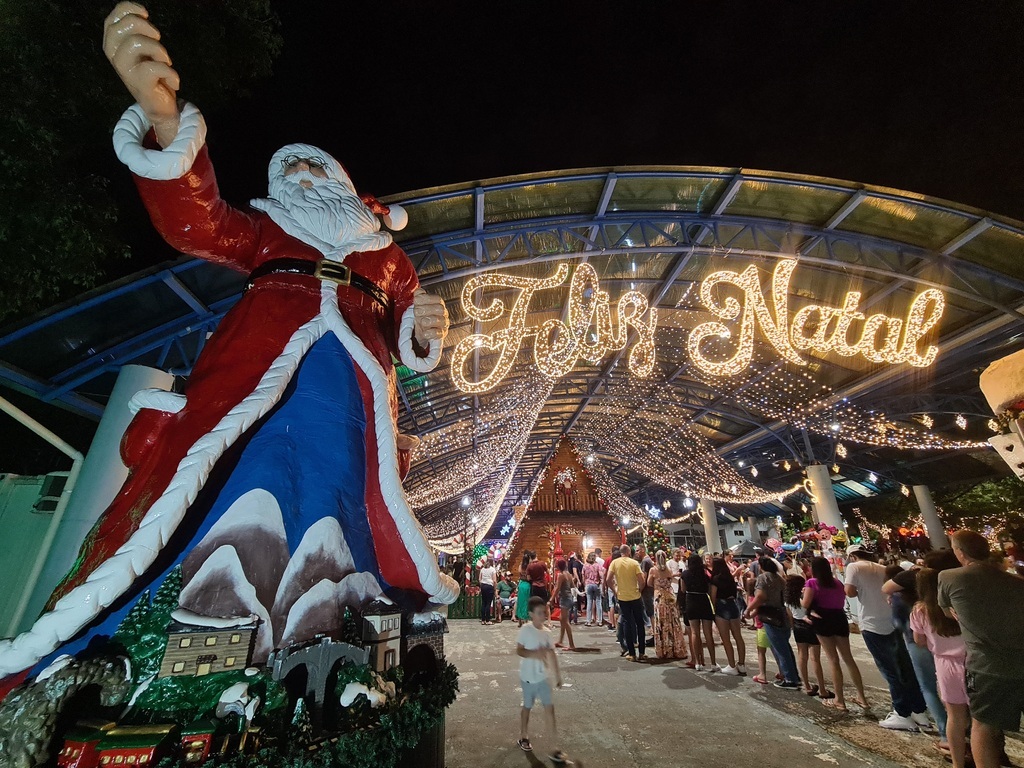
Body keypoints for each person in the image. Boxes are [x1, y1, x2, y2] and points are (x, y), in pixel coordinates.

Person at [939, 530, 1024, 768]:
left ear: (960, 552)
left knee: (984, 725)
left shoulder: (949, 577)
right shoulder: (1016, 582)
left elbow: (948, 612)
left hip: (986, 666)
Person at [883, 549, 961, 751]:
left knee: (929, 687)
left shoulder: (918, 598)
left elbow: (886, 588)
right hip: (959, 648)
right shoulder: (959, 583)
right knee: (965, 692)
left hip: (923, 642)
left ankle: (946, 734)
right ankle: (966, 730)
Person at [846, 545, 928, 730]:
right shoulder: (882, 568)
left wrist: (860, 590)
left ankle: (901, 713)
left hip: (872, 624)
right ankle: (919, 711)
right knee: (904, 667)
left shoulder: (854, 567)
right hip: (892, 621)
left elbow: (849, 591)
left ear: (852, 556)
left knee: (890, 671)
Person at [913, 568, 969, 768]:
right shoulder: (957, 602)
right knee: (981, 718)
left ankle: (957, 763)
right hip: (972, 661)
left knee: (955, 717)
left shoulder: (919, 610)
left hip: (945, 666)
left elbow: (918, 641)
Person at [803, 557, 868, 712]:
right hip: (839, 618)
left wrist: (801, 597)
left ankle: (840, 700)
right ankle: (862, 698)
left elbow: (805, 604)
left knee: (833, 660)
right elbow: (840, 601)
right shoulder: (837, 583)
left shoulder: (812, 583)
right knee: (849, 659)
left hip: (822, 619)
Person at [516, 596, 568, 762]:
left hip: (543, 677)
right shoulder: (525, 630)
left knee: (549, 709)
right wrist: (534, 654)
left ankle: (554, 747)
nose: (543, 616)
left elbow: (552, 653)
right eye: (539, 613)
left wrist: (558, 675)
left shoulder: (547, 632)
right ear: (531, 614)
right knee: (527, 707)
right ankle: (524, 735)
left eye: (544, 613)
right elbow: (520, 650)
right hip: (528, 678)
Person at [745, 557, 801, 689]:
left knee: (780, 648)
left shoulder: (763, 578)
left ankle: (790, 679)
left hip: (770, 616)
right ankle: (793, 675)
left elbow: (760, 596)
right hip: (782, 614)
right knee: (785, 647)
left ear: (761, 566)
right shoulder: (780, 578)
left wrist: (749, 609)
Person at [786, 573, 829, 697]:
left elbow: (790, 616)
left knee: (801, 655)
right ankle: (822, 689)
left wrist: (793, 627)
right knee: (815, 658)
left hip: (798, 626)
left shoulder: (788, 598)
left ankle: (807, 686)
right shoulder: (806, 595)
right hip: (811, 625)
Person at [605, 544, 647, 661]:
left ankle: (632, 654)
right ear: (629, 552)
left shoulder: (615, 563)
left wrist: (615, 590)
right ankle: (642, 652)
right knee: (639, 623)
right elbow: (641, 580)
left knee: (627, 623)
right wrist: (640, 589)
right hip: (635, 596)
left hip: (623, 597)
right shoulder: (634, 563)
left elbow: (608, 579)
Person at [648, 550, 688, 659]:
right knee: (672, 622)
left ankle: (664, 650)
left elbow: (649, 583)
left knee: (661, 623)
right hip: (670, 597)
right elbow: (670, 582)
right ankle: (676, 648)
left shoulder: (653, 570)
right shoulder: (669, 570)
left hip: (659, 598)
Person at [682, 554, 719, 672]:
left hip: (691, 601)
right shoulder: (705, 573)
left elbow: (683, 589)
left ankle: (698, 663)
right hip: (704, 601)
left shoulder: (685, 574)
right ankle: (713, 663)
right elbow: (709, 588)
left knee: (694, 633)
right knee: (708, 634)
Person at [709, 558, 744, 675]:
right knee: (738, 636)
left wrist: (713, 610)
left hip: (722, 606)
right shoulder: (730, 577)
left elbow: (713, 596)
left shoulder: (715, 579)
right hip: (733, 604)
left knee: (726, 638)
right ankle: (742, 664)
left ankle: (731, 665)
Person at [551, 560, 577, 650]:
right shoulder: (569, 574)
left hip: (565, 599)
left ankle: (572, 645)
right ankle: (560, 641)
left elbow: (557, 588)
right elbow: (573, 586)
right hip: (569, 598)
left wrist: (551, 599)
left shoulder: (561, 575)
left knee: (565, 622)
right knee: (562, 620)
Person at [582, 552, 605, 627]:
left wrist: (585, 584)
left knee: (589, 602)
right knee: (598, 602)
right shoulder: (598, 565)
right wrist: (601, 582)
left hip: (588, 584)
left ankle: (588, 621)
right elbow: (601, 575)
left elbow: (583, 575)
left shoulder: (585, 566)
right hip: (596, 584)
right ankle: (600, 621)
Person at [637, 545, 656, 628]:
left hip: (647, 590)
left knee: (650, 611)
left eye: (638, 550)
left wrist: (640, 588)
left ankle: (654, 630)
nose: (636, 552)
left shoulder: (645, 561)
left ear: (643, 550)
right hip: (650, 589)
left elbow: (644, 577)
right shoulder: (649, 560)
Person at [515, 551, 534, 627]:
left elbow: (520, 573)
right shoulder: (529, 566)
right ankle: (525, 620)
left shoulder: (521, 566)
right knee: (526, 602)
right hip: (527, 584)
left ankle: (519, 621)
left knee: (520, 601)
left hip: (521, 584)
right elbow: (529, 577)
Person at [479, 557, 497, 626]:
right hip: (489, 586)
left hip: (483, 586)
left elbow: (479, 579)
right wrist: (494, 588)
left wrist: (482, 585)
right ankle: (488, 620)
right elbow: (494, 580)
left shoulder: (482, 569)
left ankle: (483, 620)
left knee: (484, 603)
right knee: (488, 603)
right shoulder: (492, 570)